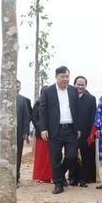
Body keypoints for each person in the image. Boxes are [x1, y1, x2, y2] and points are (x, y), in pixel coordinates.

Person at [39, 66, 80, 194]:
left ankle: (60, 174)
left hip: (70, 129)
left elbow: (77, 111)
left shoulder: (73, 91)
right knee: (55, 158)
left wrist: (78, 128)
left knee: (72, 156)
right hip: (54, 130)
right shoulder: (48, 91)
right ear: (56, 77)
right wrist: (43, 128)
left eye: (67, 76)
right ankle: (58, 184)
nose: (65, 79)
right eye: (62, 76)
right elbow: (43, 111)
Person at [73, 75, 97, 186]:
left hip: (86, 133)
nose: (80, 87)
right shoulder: (69, 96)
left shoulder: (91, 99)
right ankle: (73, 178)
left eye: (83, 85)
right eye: (78, 84)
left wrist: (91, 133)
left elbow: (93, 117)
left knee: (86, 157)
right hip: (71, 133)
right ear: (74, 85)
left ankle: (84, 179)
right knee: (71, 156)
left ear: (86, 86)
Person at [32, 86, 52, 183]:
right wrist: (42, 129)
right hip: (41, 135)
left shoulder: (54, 103)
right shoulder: (37, 104)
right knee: (41, 156)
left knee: (51, 157)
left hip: (53, 134)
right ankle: (40, 176)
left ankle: (49, 176)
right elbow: (35, 119)